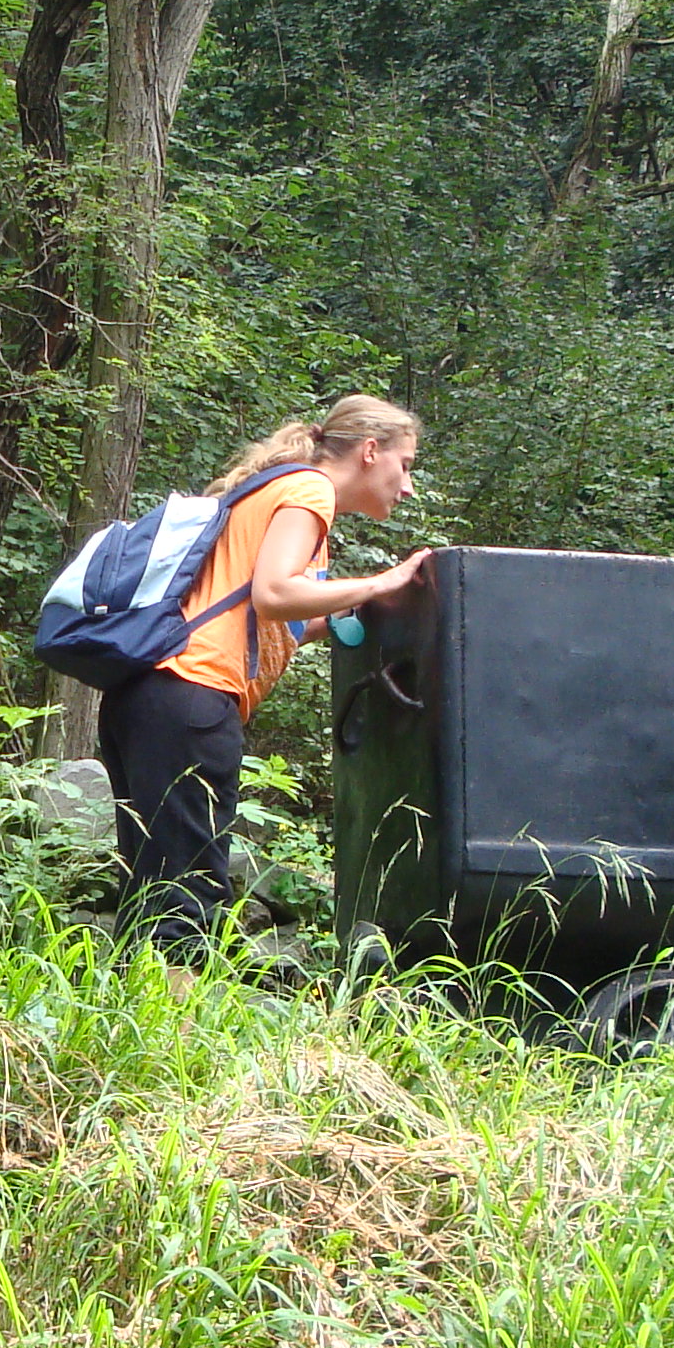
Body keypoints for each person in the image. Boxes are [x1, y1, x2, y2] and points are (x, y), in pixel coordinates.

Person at [100, 393, 427, 953]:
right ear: (371, 451)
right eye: (406, 464)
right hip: (193, 695)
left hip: (147, 693)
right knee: (186, 895)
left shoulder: (273, 489)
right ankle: (177, 1007)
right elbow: (274, 593)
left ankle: (131, 999)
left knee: (154, 886)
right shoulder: (309, 490)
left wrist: (346, 613)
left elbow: (266, 618)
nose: (409, 486)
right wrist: (383, 583)